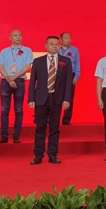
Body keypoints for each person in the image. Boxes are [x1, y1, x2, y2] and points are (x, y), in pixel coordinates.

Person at [27, 36, 72, 165]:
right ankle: (38, 155)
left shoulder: (66, 61)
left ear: (59, 46)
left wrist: (66, 99)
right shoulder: (38, 61)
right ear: (46, 45)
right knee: (40, 128)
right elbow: (32, 82)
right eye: (51, 44)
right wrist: (31, 99)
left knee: (54, 129)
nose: (54, 46)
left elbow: (68, 82)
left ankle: (52, 155)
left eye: (56, 44)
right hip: (40, 99)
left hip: (56, 99)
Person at [0, 29, 34, 144]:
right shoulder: (4, 51)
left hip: (20, 81)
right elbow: (0, 67)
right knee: (4, 109)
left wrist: (14, 78)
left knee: (18, 109)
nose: (18, 37)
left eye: (20, 35)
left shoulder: (27, 50)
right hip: (5, 81)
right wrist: (9, 78)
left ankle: (16, 136)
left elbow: (27, 67)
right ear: (10, 37)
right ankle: (4, 136)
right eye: (15, 35)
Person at [59, 32, 80, 126]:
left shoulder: (74, 50)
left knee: (69, 97)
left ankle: (66, 120)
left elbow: (77, 63)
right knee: (56, 96)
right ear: (61, 39)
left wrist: (76, 76)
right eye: (66, 38)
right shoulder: (57, 49)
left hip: (70, 74)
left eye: (69, 38)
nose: (68, 40)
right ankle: (54, 118)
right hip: (58, 75)